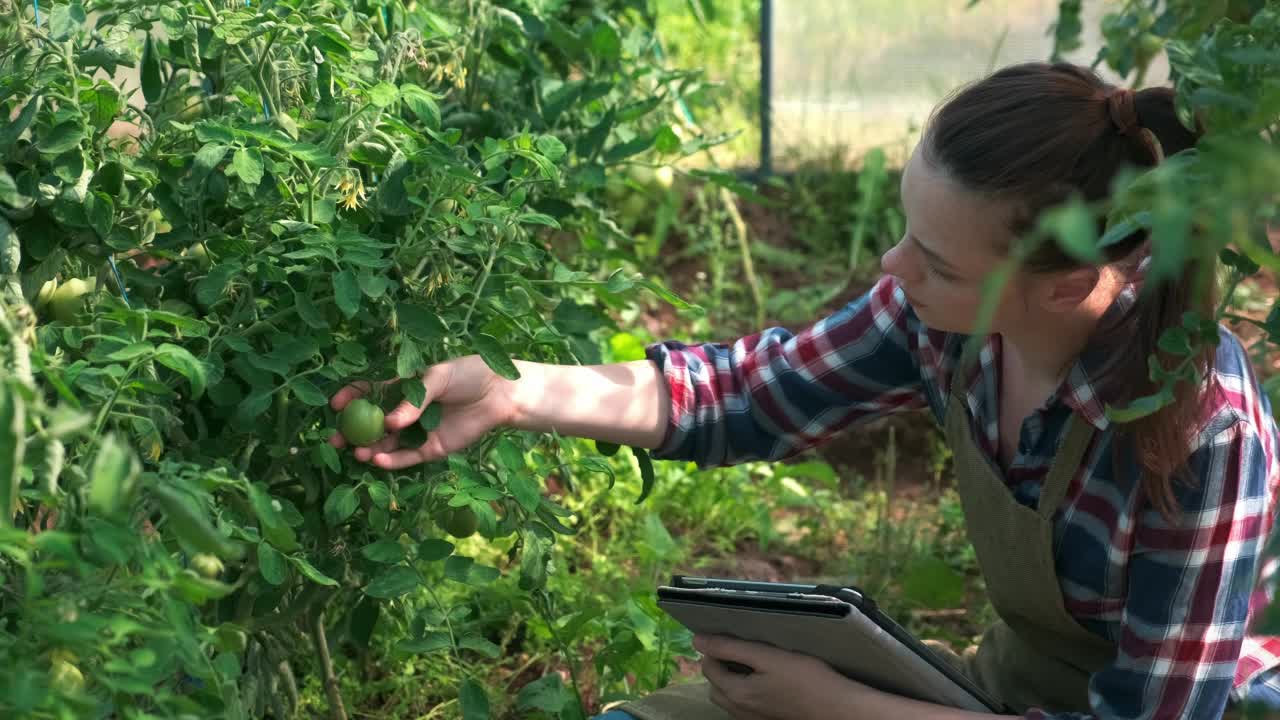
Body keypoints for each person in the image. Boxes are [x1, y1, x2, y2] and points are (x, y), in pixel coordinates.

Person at [329, 62, 1280, 719]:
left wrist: (841, 709)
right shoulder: (946, 323)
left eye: (935, 260)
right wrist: (513, 390)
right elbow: (748, 394)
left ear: (1066, 285)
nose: (889, 263)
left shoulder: (1200, 433)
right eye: (907, 229)